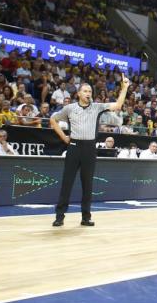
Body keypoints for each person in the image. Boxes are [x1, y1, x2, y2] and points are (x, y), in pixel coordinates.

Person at [49, 76, 130, 228]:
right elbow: (53, 119)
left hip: (89, 148)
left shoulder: (97, 107)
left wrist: (124, 88)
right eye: (85, 91)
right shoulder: (69, 108)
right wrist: (64, 137)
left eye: (90, 91)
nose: (88, 93)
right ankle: (59, 216)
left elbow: (118, 105)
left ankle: (86, 217)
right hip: (73, 147)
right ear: (78, 93)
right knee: (67, 183)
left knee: (88, 184)